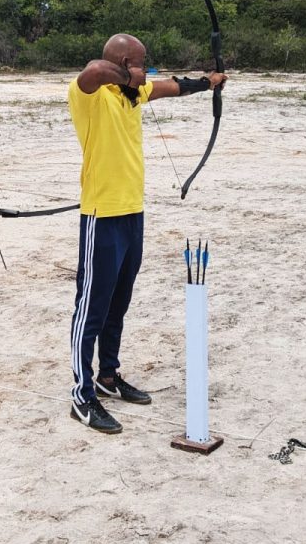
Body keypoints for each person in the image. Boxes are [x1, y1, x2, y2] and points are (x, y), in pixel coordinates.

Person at [67, 33, 227, 434]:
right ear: (123, 62)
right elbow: (93, 71)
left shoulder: (130, 96)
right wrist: (128, 75)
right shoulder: (89, 93)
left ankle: (108, 376)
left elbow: (171, 87)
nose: (147, 67)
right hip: (101, 216)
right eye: (140, 61)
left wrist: (208, 82)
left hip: (131, 214)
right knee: (91, 308)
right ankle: (81, 395)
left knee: (118, 304)